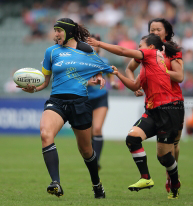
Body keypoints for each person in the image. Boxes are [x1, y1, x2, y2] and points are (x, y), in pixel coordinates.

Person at [18, 18, 114, 199]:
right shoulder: (51, 52)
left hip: (80, 103)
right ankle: (56, 182)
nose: (55, 34)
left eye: (59, 31)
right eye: (55, 31)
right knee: (46, 134)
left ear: (69, 32)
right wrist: (34, 89)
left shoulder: (86, 50)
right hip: (57, 102)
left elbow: (98, 64)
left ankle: (97, 184)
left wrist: (100, 75)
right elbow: (45, 82)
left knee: (86, 151)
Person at [87, 33, 182, 199]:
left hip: (169, 110)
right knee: (132, 138)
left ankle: (175, 182)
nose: (138, 48)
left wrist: (99, 44)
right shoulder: (147, 65)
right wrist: (118, 74)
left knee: (164, 157)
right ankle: (145, 178)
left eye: (140, 45)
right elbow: (135, 85)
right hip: (153, 111)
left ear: (151, 47)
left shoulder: (152, 54)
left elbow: (123, 51)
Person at [125, 18, 184, 193]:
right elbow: (130, 68)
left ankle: (171, 176)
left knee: (173, 145)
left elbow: (180, 77)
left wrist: (161, 71)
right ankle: (164, 176)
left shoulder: (172, 50)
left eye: (158, 29)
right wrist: (134, 86)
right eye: (152, 29)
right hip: (153, 103)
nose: (155, 32)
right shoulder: (147, 49)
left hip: (173, 103)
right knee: (141, 141)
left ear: (166, 32)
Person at [88, 34, 119, 170]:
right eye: (89, 44)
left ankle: (96, 161)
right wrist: (87, 82)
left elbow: (110, 72)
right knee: (88, 133)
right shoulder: (81, 61)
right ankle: (90, 157)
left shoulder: (104, 61)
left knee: (97, 128)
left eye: (94, 44)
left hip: (100, 97)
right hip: (85, 99)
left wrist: (113, 83)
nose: (92, 47)